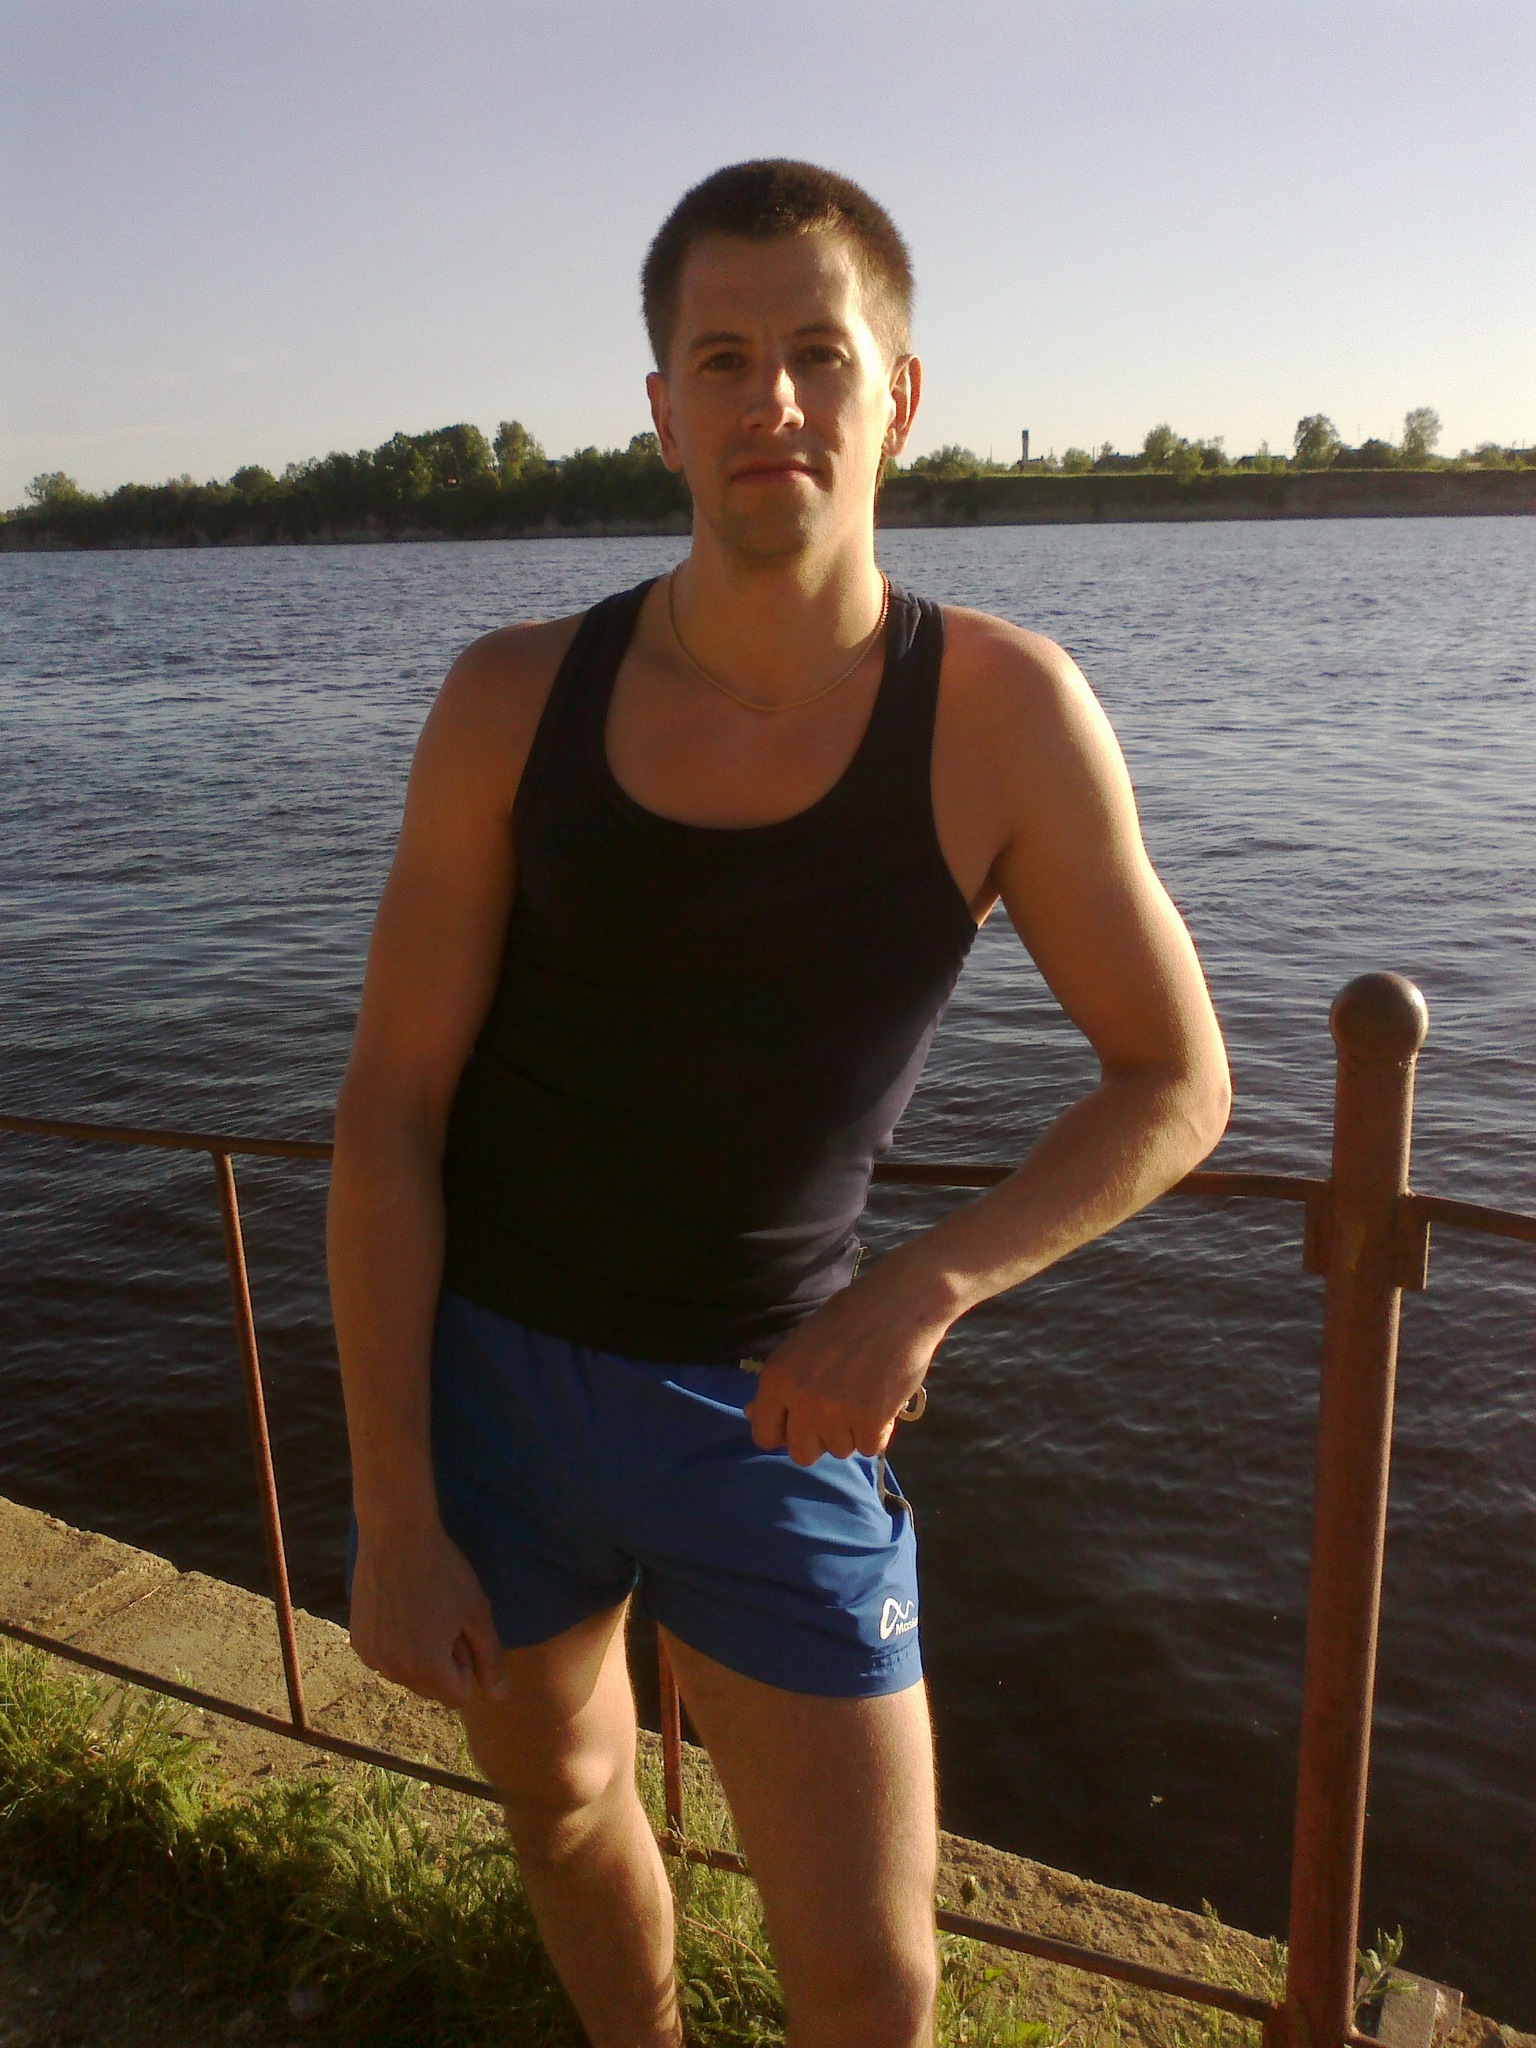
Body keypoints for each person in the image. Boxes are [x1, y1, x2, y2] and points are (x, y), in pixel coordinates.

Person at [328, 159, 1231, 2048]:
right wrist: (395, 1507)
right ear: (664, 410)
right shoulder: (511, 701)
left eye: (820, 354)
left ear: (899, 396)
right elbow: (391, 1110)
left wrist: (922, 1289)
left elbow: (1176, 1079)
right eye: (724, 360)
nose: (776, 402)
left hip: (780, 1406)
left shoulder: (1002, 713)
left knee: (875, 1979)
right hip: (497, 1383)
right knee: (568, 1806)